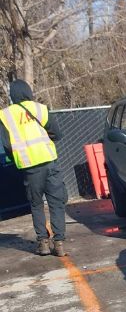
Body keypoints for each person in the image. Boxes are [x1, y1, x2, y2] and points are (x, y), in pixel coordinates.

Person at [0, 79, 67, 256]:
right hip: (49, 161)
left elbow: (6, 145)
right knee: (56, 204)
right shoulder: (40, 108)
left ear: (12, 95)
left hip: (29, 167)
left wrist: (16, 158)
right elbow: (57, 133)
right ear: (28, 91)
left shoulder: (5, 115)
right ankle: (59, 244)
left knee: (36, 205)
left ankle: (43, 243)